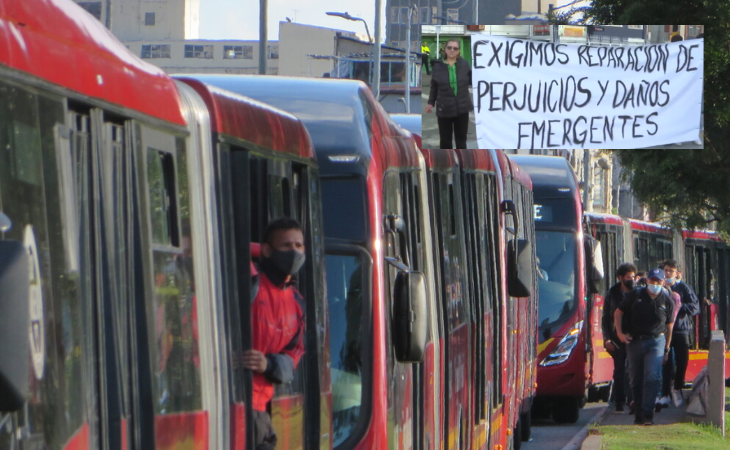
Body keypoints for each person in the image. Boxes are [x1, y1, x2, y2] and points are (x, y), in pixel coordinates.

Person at [242, 218, 306, 449]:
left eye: (299, 246)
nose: (294, 252)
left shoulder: (297, 303)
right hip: (238, 405)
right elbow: (232, 246)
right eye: (286, 246)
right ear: (266, 250)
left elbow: (294, 355)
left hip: (260, 412)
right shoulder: (249, 281)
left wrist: (267, 365)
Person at [615, 268, 675, 425]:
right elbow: (618, 313)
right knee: (635, 378)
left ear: (663, 282)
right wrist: (620, 334)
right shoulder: (635, 295)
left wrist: (667, 349)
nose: (654, 284)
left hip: (656, 342)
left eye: (658, 282)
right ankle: (638, 412)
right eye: (652, 281)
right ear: (647, 281)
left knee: (652, 377)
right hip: (635, 341)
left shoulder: (667, 300)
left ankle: (648, 414)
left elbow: (669, 327)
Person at [661, 260, 700, 407]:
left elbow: (695, 307)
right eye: (666, 270)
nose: (668, 273)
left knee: (682, 361)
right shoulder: (661, 288)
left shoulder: (683, 288)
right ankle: (665, 393)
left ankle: (677, 387)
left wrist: (680, 306)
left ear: (677, 273)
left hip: (681, 329)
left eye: (671, 271)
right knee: (666, 362)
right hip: (664, 331)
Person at [425, 38, 473, 149]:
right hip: (444, 108)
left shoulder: (464, 64)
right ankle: (447, 164)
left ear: (459, 51)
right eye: (449, 48)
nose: (452, 50)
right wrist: (430, 102)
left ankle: (462, 164)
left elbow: (472, 80)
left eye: (455, 48)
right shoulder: (438, 66)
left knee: (461, 141)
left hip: (462, 108)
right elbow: (434, 86)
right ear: (445, 49)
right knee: (445, 141)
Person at [602, 263, 637, 412]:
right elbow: (606, 318)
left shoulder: (637, 292)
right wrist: (607, 338)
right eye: (629, 277)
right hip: (617, 339)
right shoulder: (612, 293)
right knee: (619, 370)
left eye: (633, 277)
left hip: (633, 336)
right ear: (621, 278)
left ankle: (632, 400)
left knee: (633, 370)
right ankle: (619, 402)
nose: (632, 280)